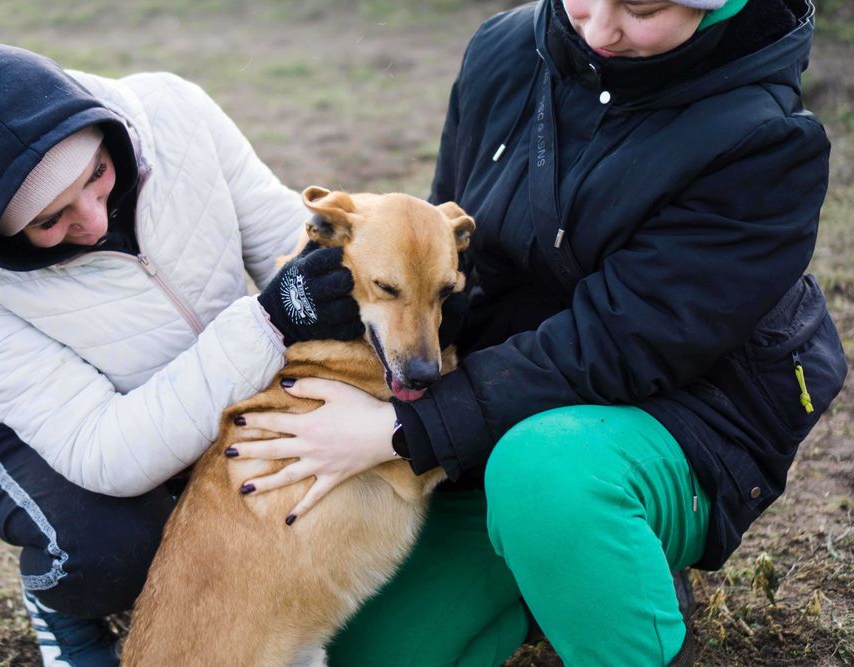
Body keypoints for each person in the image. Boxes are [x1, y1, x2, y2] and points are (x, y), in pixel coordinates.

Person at [225, 1, 848, 665]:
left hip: (681, 414)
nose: (600, 29)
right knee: (366, 652)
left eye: (641, 8)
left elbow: (620, 343)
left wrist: (402, 430)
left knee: (549, 474)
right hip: (504, 411)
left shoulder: (766, 140)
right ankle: (556, 569)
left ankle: (608, 555)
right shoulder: (504, 49)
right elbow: (459, 266)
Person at [0, 31, 368, 666]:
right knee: (112, 552)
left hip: (235, 379)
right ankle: (63, 608)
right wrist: (268, 321)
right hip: (60, 440)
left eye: (97, 174)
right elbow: (104, 450)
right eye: (49, 220)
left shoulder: (174, 113)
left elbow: (289, 240)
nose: (93, 217)